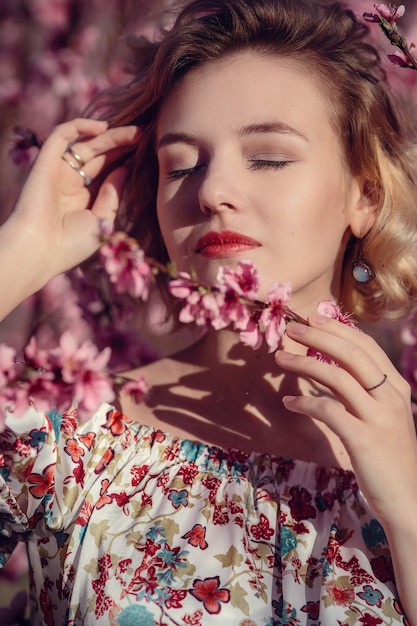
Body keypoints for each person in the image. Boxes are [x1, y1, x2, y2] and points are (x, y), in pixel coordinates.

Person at [1, 0, 417, 623]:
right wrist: (21, 253)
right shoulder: (71, 439)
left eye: (269, 157)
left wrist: (408, 512)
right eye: (182, 165)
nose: (213, 190)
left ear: (366, 193)